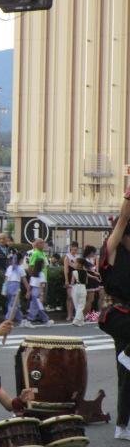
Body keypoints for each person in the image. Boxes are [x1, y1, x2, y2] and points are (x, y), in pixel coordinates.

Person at [98, 187, 130, 441]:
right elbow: (122, 220)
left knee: (127, 373)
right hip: (116, 313)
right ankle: (123, 424)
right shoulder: (113, 248)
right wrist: (128, 196)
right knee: (125, 370)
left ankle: (123, 424)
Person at [3, 252, 29, 326]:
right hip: (15, 288)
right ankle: (7, 320)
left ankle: (21, 319)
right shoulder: (21, 268)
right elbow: (24, 281)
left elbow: (6, 279)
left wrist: (4, 290)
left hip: (8, 287)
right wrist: (28, 290)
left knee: (15, 304)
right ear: (20, 260)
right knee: (13, 305)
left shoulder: (9, 267)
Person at [25, 258, 53, 327]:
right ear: (41, 265)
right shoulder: (41, 274)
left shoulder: (33, 274)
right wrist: (41, 295)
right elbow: (42, 285)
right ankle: (45, 321)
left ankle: (45, 320)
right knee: (39, 308)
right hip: (38, 292)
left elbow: (30, 285)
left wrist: (28, 292)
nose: (44, 265)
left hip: (33, 292)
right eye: (43, 263)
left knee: (34, 307)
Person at [82, 245, 102, 320]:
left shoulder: (90, 260)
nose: (94, 254)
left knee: (90, 300)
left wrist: (96, 274)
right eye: (93, 253)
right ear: (90, 252)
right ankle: (83, 315)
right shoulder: (84, 260)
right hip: (88, 281)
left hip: (92, 281)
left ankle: (86, 315)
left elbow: (92, 270)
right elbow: (85, 271)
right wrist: (95, 275)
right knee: (89, 299)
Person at [63, 241, 79, 322]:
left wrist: (72, 264)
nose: (74, 251)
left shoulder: (77, 257)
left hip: (76, 278)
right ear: (70, 248)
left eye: (76, 250)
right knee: (69, 297)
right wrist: (66, 280)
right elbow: (65, 269)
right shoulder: (67, 257)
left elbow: (77, 267)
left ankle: (72, 314)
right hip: (69, 277)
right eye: (73, 249)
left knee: (74, 297)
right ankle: (69, 315)